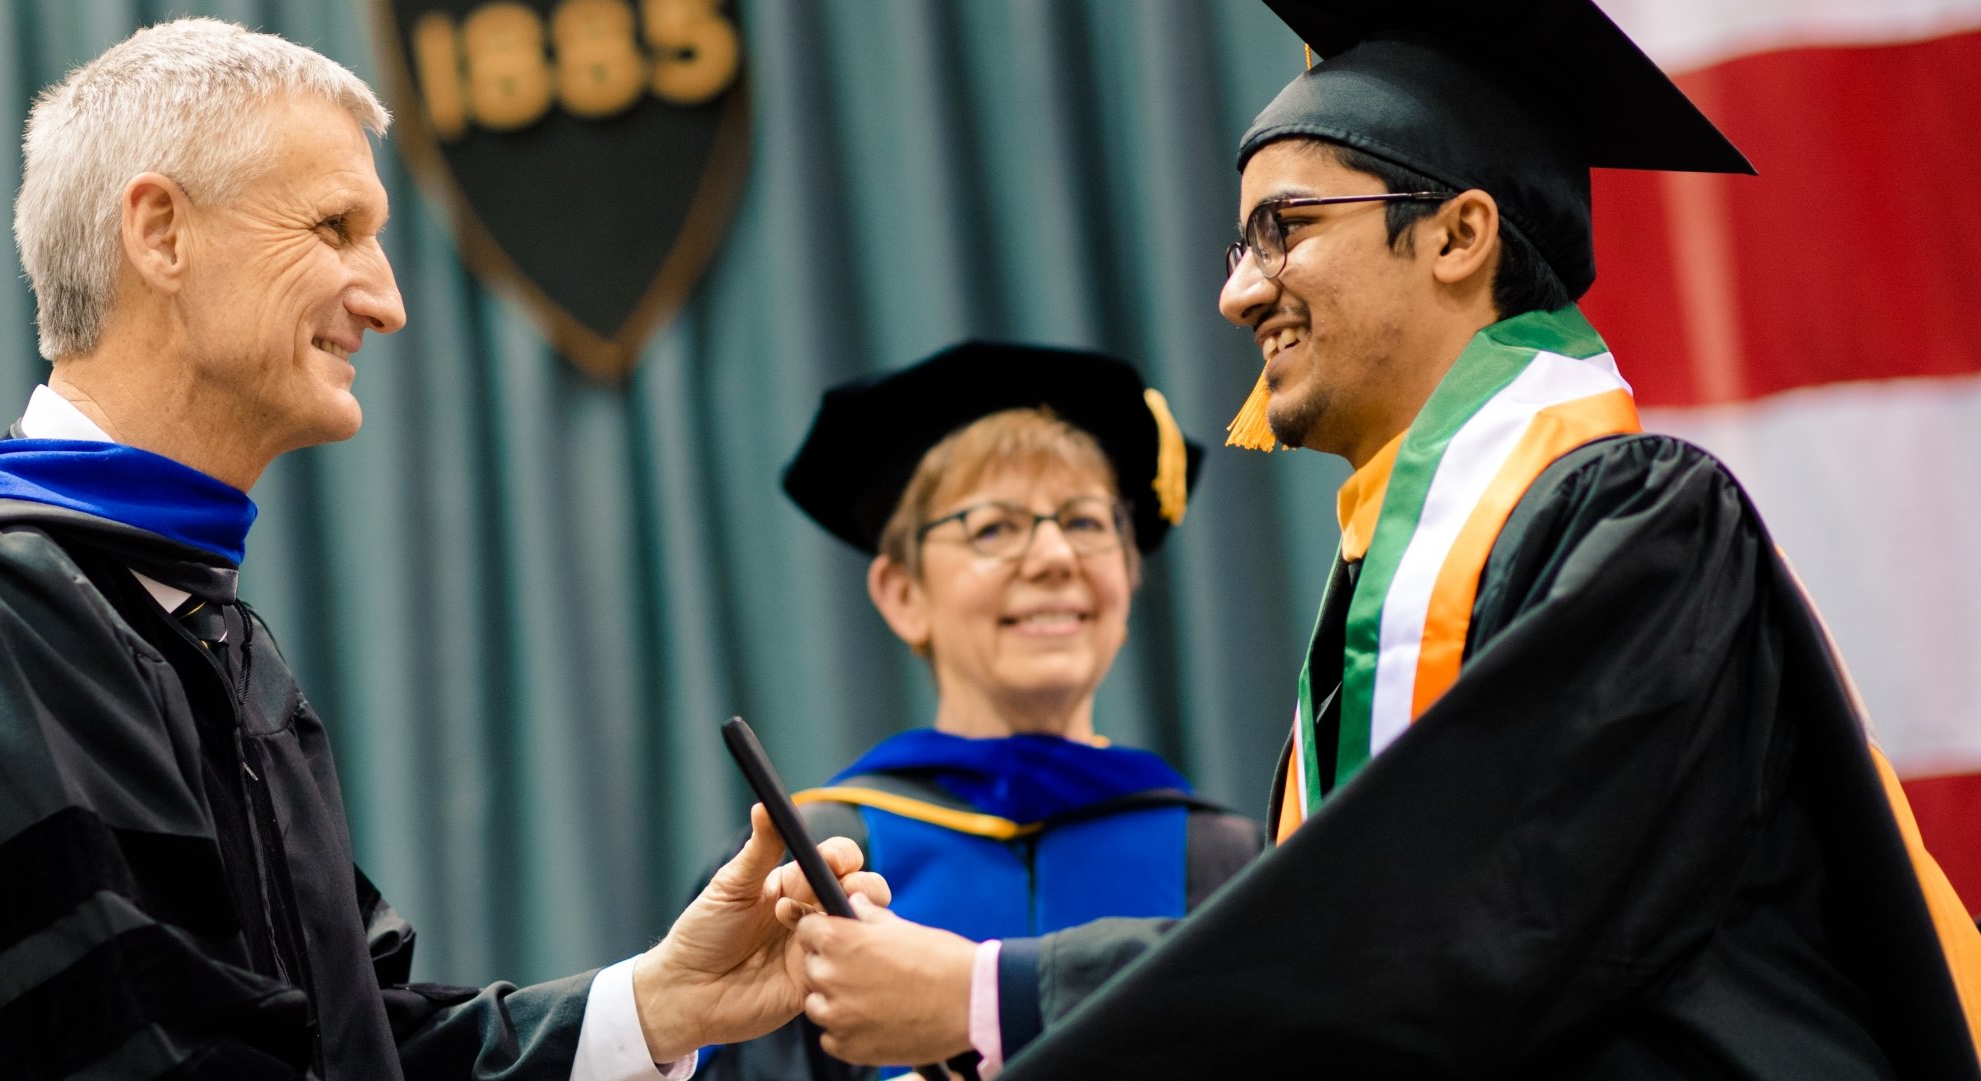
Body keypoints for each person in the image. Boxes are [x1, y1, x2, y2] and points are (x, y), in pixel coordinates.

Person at [0, 19, 879, 1081]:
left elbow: (351, 1046)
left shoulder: (186, 619)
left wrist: (660, 1005)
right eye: (337, 225)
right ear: (161, 233)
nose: (387, 297)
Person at [786, 1, 1981, 1077]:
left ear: (1459, 235)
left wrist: (993, 995)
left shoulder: (1639, 527)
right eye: (1239, 246)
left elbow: (1470, 917)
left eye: (1285, 229)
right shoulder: (1393, 586)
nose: (1239, 294)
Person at [700, 343, 1260, 1081]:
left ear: (1126, 576)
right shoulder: (816, 860)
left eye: (1088, 522)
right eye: (994, 527)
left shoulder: (1225, 858)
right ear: (903, 593)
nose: (1056, 554)